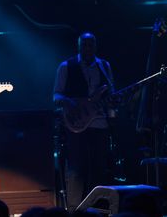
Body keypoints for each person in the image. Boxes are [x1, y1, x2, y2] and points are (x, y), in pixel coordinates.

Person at [53, 32, 115, 211]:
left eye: (91, 44)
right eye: (84, 44)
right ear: (79, 46)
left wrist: (113, 104)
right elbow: (56, 95)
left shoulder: (104, 66)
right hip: (76, 125)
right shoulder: (66, 66)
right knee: (76, 168)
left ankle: (98, 207)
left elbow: (110, 93)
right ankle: (74, 209)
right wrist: (72, 103)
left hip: (100, 123)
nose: (88, 48)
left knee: (99, 168)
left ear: (96, 46)